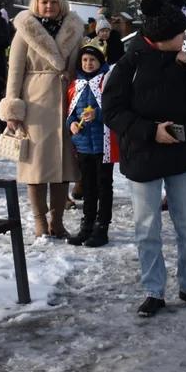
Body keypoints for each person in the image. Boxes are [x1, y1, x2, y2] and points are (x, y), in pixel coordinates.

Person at [102, 0, 186, 318]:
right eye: (180, 34)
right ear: (163, 37)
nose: (185, 38)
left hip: (183, 154)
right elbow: (112, 111)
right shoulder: (129, 63)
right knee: (147, 228)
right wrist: (151, 131)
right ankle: (154, 291)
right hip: (143, 156)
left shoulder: (185, 60)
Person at [1, 0, 86, 239]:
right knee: (36, 167)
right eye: (44, 2)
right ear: (36, 4)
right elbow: (15, 72)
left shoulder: (74, 29)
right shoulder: (24, 31)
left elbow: (83, 65)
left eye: (53, 1)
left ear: (62, 2)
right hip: (35, 103)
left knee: (63, 167)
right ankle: (40, 222)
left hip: (66, 101)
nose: (49, 6)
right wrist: (13, 108)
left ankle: (57, 222)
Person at [65, 43, 116, 248]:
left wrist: (97, 114)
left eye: (92, 60)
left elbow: (114, 107)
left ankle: (101, 227)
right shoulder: (75, 83)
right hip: (84, 144)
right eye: (84, 60)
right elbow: (70, 110)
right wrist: (72, 125)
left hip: (103, 144)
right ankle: (86, 226)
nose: (88, 63)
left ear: (100, 62)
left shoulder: (106, 80)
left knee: (104, 186)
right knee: (87, 186)